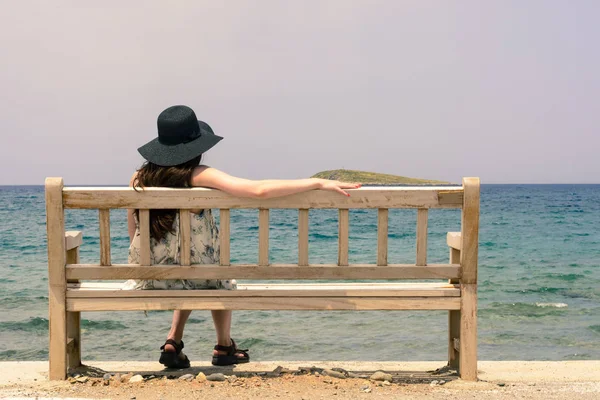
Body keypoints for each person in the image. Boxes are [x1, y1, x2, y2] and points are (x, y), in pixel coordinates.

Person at [126, 105, 360, 369]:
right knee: (215, 276)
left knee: (190, 271)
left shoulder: (139, 177)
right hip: (193, 275)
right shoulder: (199, 175)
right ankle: (224, 345)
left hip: (150, 276)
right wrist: (316, 183)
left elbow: (133, 232)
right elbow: (258, 190)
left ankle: (173, 341)